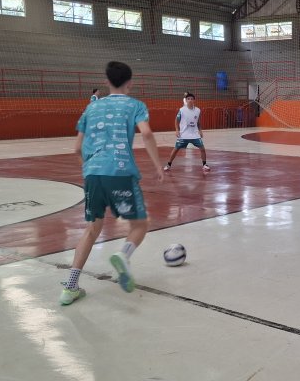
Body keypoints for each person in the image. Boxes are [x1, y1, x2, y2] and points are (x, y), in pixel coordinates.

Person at [60, 61, 165, 306]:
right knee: (139, 225)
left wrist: (90, 169)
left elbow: (76, 148)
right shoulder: (136, 105)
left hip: (93, 174)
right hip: (120, 172)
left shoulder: (91, 108)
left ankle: (71, 287)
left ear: (106, 82)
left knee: (91, 230)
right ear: (130, 82)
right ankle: (123, 255)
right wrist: (158, 166)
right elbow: (147, 134)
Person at [163, 92, 210, 172]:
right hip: (184, 135)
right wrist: (177, 130)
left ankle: (204, 164)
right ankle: (168, 164)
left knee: (202, 148)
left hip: (194, 134)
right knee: (176, 149)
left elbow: (198, 122)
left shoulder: (198, 110)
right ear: (186, 100)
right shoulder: (182, 110)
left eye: (192, 99)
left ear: (194, 100)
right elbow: (176, 121)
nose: (190, 100)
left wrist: (200, 130)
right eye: (188, 99)